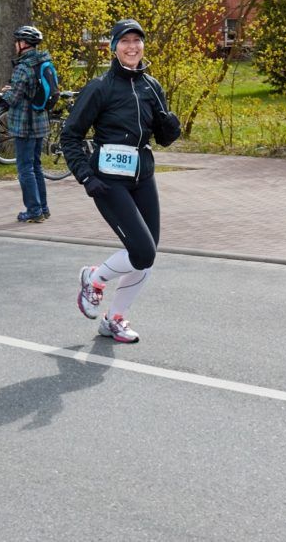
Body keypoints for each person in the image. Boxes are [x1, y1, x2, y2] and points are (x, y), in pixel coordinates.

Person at [60, 19, 181, 343]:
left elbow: (164, 137)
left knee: (147, 255)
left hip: (143, 176)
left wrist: (171, 126)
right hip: (108, 180)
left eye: (137, 41)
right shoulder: (100, 86)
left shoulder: (151, 86)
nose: (132, 47)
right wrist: (85, 176)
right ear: (114, 48)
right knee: (141, 252)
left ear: (143, 46)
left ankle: (114, 319)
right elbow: (70, 135)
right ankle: (94, 279)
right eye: (124, 41)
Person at [0, 25, 52, 223]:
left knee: (25, 169)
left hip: (25, 125)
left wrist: (2, 94)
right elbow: (30, 89)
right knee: (36, 167)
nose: (15, 45)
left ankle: (34, 211)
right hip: (40, 123)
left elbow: (13, 98)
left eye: (17, 41)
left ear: (23, 44)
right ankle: (43, 208)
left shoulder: (23, 67)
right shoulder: (43, 62)